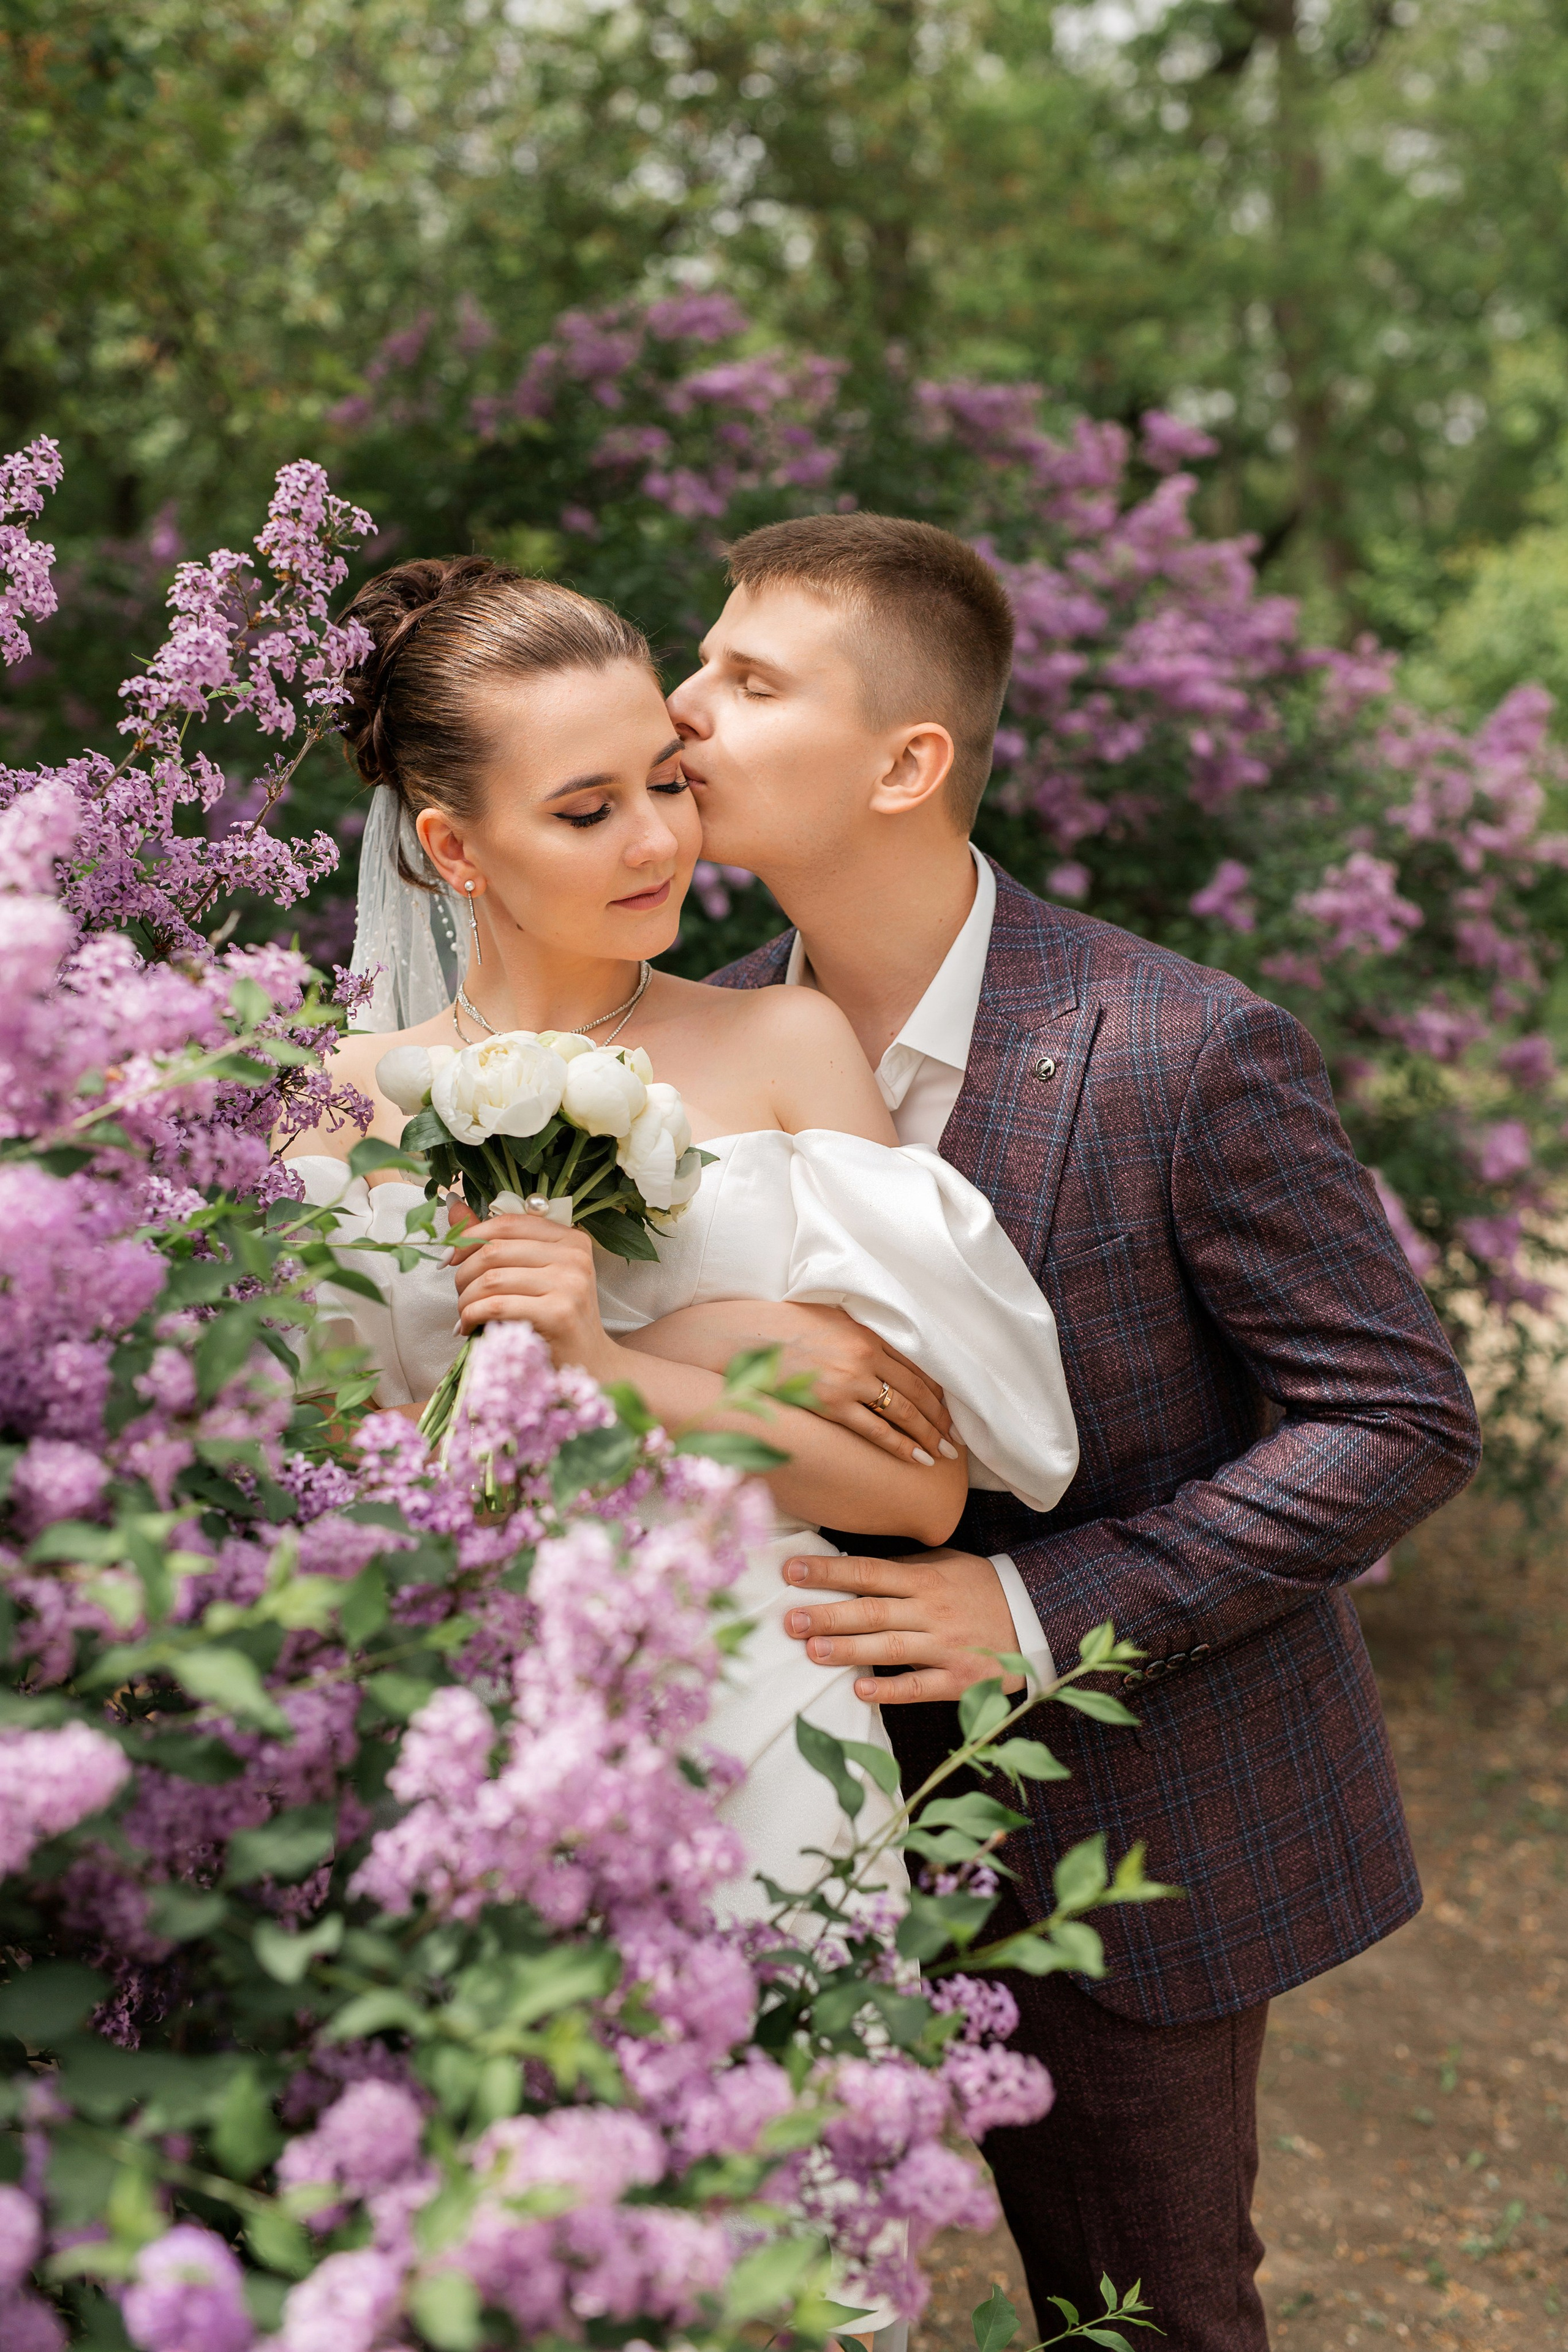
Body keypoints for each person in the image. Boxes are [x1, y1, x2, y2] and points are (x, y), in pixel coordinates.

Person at [659, 513, 1484, 2352]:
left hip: (1126, 1825)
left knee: (1142, 2318)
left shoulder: (1181, 1047)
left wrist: (1032, 1614)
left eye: (747, 678)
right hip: (769, 1814)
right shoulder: (675, 1048)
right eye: (699, 661)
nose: (679, 705)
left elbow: (1397, 1417)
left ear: (906, 764)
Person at [284, 550, 1079, 1972]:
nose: (656, 841)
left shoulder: (783, 1044)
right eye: (586, 811)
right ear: (454, 850)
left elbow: (917, 1488)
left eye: (666, 781)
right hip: (441, 1709)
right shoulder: (329, 1112)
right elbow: (300, 1472)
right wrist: (708, 1350)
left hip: (753, 1708)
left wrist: (615, 1366)